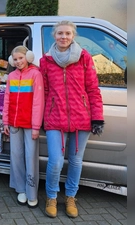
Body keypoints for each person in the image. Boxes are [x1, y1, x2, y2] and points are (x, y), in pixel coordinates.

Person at [39, 20, 104, 218]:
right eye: (60, 33)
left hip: (81, 119)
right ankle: (51, 196)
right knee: (56, 162)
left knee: (75, 161)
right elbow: (44, 92)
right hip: (55, 118)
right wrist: (42, 118)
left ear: (73, 35)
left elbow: (93, 89)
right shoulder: (46, 60)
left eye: (67, 33)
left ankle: (71, 197)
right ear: (54, 35)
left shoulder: (84, 58)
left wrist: (97, 118)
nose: (64, 37)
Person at [3, 45, 44, 208]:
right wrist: (5, 121)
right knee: (16, 156)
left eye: (21, 58)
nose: (18, 61)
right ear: (11, 61)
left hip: (30, 125)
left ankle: (32, 192)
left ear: (28, 58)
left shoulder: (36, 74)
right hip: (14, 123)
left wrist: (36, 127)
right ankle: (21, 189)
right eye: (15, 59)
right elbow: (7, 99)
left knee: (30, 157)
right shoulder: (11, 76)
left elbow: (38, 102)